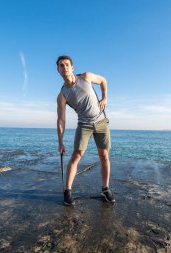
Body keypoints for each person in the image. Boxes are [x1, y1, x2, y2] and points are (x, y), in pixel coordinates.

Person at [56, 55, 115, 206]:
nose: (64, 67)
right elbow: (61, 120)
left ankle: (105, 188)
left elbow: (103, 80)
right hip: (84, 125)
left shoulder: (86, 77)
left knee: (104, 155)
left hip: (101, 122)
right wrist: (60, 142)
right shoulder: (62, 95)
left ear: (72, 68)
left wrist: (104, 98)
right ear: (58, 70)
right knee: (77, 155)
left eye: (67, 65)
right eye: (61, 65)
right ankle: (68, 191)